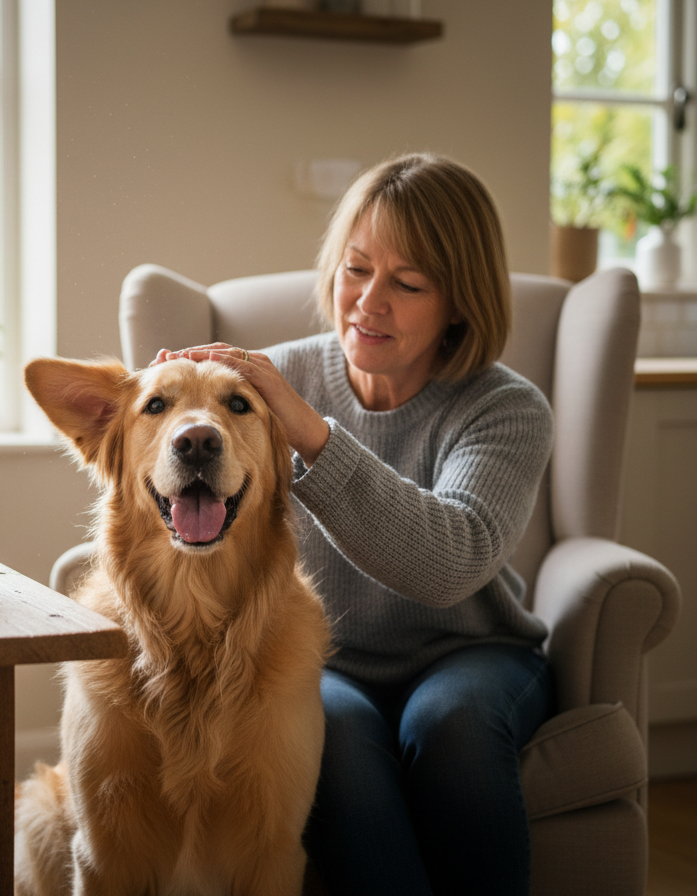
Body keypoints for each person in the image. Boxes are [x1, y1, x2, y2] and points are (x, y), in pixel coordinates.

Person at [154, 152, 555, 895]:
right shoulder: (260, 387)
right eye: (354, 270)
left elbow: (452, 564)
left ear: (459, 302)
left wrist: (311, 435)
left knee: (453, 727)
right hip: (325, 659)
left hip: (471, 652)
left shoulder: (507, 408)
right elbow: (184, 515)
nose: (368, 302)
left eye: (407, 284)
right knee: (327, 730)